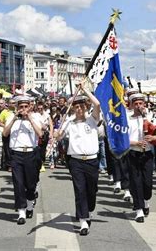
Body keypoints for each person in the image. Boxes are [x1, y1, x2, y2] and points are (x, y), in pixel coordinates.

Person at [54, 85, 101, 236]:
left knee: (91, 190)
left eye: (81, 106)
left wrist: (84, 90)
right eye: (76, 106)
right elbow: (60, 137)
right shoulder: (69, 122)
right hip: (75, 161)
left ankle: (89, 209)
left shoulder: (92, 119)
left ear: (86, 107)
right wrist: (57, 134)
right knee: (80, 190)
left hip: (92, 160)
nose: (79, 109)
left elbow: (98, 104)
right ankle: (83, 221)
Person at [3, 96, 43, 225]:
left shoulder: (35, 117)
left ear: (30, 106)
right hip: (16, 154)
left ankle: (30, 204)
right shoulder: (12, 118)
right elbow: (5, 133)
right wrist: (15, 117)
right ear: (17, 107)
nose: (23, 109)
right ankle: (21, 211)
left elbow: (40, 134)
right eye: (21, 107)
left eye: (26, 107)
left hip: (30, 153)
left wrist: (30, 118)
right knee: (18, 183)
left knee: (31, 184)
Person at [127, 93, 156, 223]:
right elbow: (123, 139)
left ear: (144, 104)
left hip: (147, 154)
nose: (138, 106)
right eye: (135, 104)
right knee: (135, 182)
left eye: (140, 103)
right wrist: (135, 143)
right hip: (133, 153)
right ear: (131, 105)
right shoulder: (127, 119)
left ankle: (146, 200)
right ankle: (139, 210)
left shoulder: (149, 118)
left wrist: (153, 138)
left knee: (147, 183)